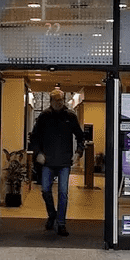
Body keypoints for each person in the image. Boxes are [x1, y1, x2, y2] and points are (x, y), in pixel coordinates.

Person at [29, 88, 85, 236]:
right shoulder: (44, 117)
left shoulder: (70, 116)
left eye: (61, 100)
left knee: (63, 193)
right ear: (51, 101)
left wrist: (78, 153)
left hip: (64, 162)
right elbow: (34, 138)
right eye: (56, 100)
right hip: (47, 160)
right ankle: (52, 214)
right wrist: (38, 153)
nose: (59, 103)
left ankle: (61, 223)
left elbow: (80, 137)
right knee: (45, 190)